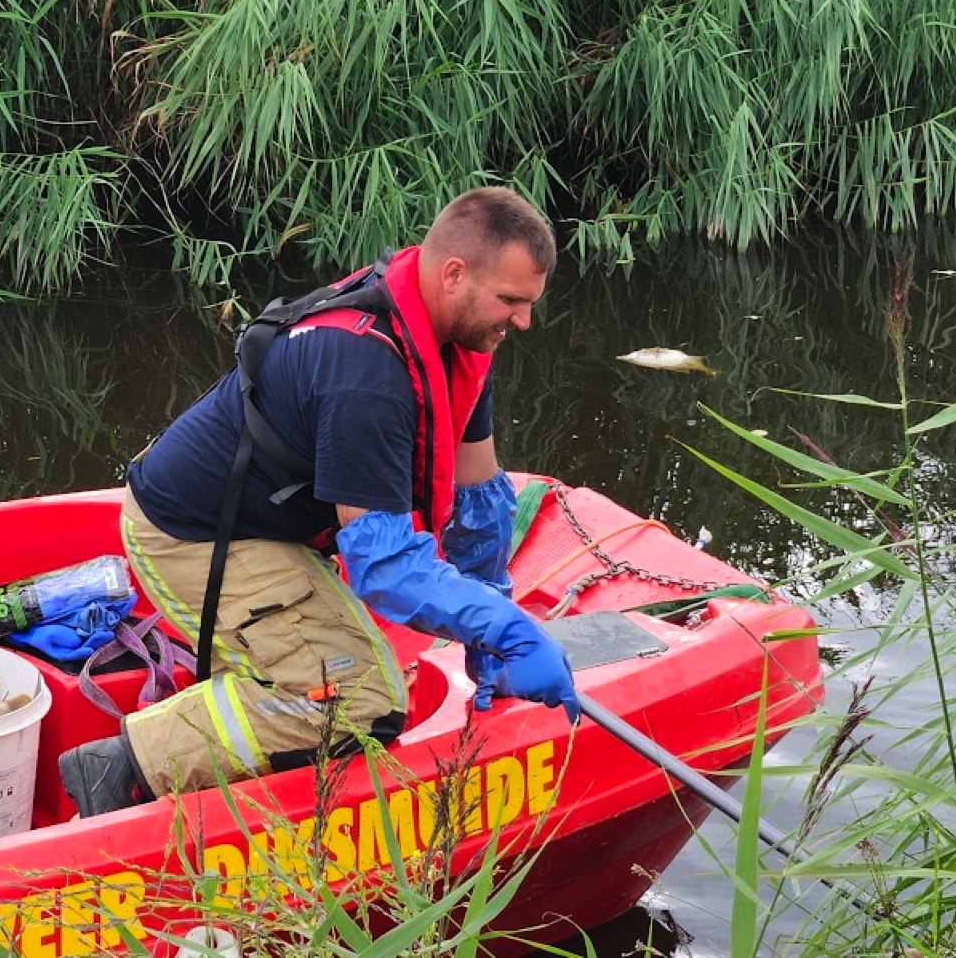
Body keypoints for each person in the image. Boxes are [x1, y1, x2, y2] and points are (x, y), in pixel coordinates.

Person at [59, 186, 578, 816]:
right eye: (512, 301)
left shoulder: (458, 340)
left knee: (358, 671)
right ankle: (123, 764)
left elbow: (479, 500)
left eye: (529, 304)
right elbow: (382, 567)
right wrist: (510, 631)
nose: (523, 321)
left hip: (274, 526)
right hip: (194, 534)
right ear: (454, 274)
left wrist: (490, 623)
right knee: (359, 698)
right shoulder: (365, 369)